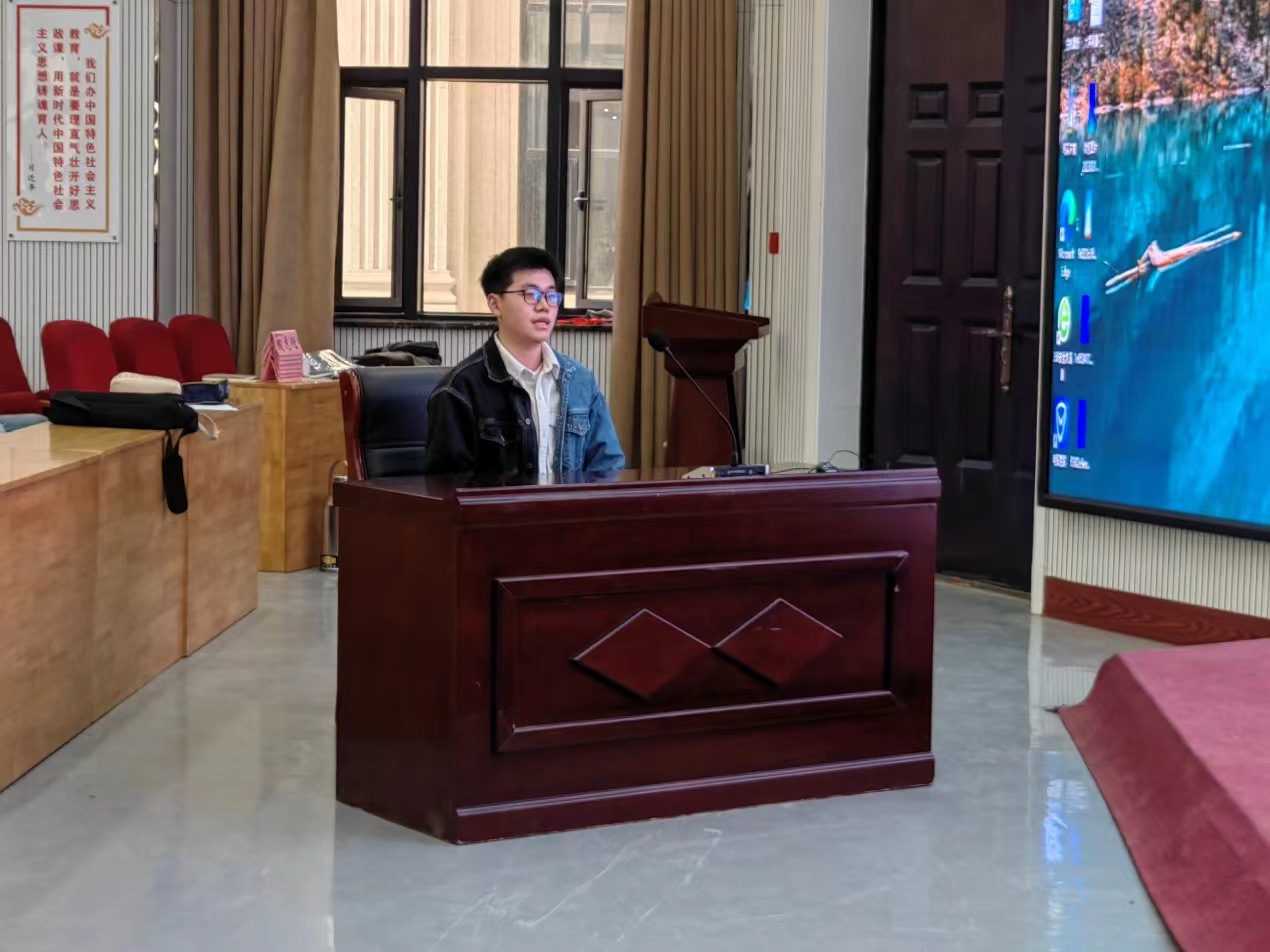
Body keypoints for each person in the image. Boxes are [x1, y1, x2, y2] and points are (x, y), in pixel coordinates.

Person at [423, 247, 626, 478]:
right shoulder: (459, 391)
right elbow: (448, 487)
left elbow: (608, 467)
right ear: (495, 304)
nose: (544, 306)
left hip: (570, 504)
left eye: (551, 296)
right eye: (531, 294)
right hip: (498, 504)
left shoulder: (580, 382)